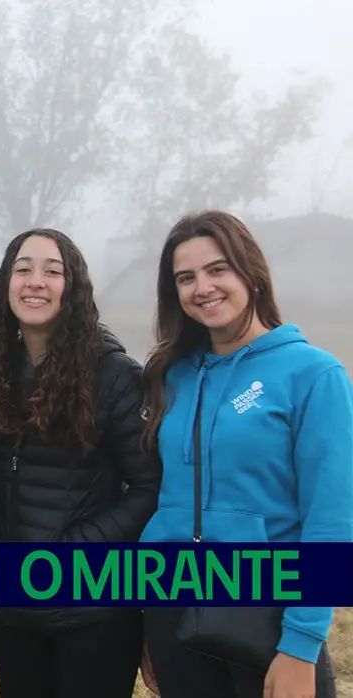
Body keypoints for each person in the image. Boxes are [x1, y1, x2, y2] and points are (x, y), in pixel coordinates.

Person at [137, 210, 349, 698]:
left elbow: (330, 522)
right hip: (174, 610)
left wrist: (301, 643)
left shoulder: (313, 375)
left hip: (267, 614)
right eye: (185, 278)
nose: (202, 287)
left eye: (217, 269)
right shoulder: (172, 377)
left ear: (249, 271)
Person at [0, 228, 161, 698]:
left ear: (72, 286)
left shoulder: (114, 375)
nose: (36, 281)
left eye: (52, 271)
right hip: (13, 601)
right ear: (6, 284)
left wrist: (71, 549)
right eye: (23, 269)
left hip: (93, 604)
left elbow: (149, 490)